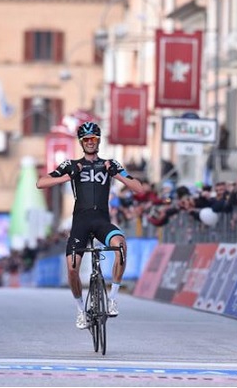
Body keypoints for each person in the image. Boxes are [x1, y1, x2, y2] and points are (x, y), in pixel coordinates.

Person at [36, 121, 143, 329]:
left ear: (99, 140)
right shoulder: (71, 164)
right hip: (81, 223)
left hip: (102, 221)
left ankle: (112, 299)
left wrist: (117, 174)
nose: (90, 143)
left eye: (93, 139)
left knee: (120, 245)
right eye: (86, 140)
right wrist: (69, 176)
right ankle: (80, 310)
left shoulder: (110, 164)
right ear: (81, 142)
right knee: (72, 268)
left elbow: (138, 187)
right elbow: (41, 182)